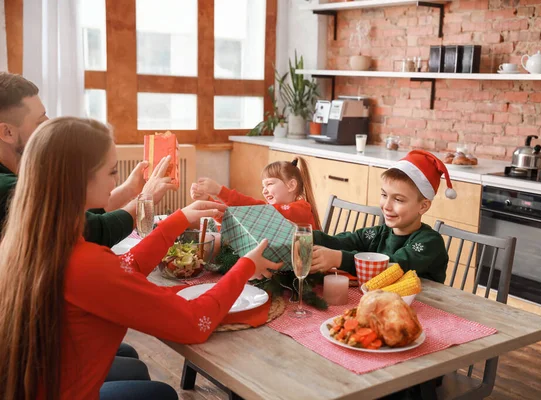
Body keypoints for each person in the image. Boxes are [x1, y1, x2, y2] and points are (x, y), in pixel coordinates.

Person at [0, 117, 281, 400]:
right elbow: (194, 323)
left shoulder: (28, 241)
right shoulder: (85, 263)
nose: (116, 180)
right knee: (161, 395)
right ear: (77, 181)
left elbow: (121, 270)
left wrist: (178, 220)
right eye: (111, 171)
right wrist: (246, 266)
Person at [0, 71, 175, 246]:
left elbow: (80, 212)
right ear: (7, 132)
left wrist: (130, 189)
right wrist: (146, 199)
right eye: (40, 122)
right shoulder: (9, 189)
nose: (49, 123)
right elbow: (91, 230)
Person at [310, 150, 452, 284]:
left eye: (398, 199)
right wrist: (308, 236)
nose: (387, 206)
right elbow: (342, 242)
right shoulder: (377, 234)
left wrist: (338, 258)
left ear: (423, 206)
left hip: (423, 307)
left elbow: (394, 266)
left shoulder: (430, 243)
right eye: (384, 195)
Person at [190, 156, 321, 230]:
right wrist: (207, 201)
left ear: (291, 185)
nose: (264, 190)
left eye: (269, 184)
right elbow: (237, 219)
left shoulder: (301, 209)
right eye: (263, 186)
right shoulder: (274, 210)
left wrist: (220, 191)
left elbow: (256, 210)